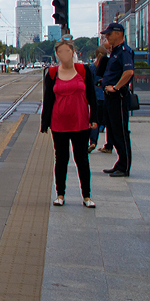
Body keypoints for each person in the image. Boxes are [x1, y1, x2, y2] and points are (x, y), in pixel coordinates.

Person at [41, 38, 98, 207]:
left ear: (73, 52)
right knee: (61, 159)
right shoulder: (52, 73)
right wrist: (45, 123)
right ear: (57, 55)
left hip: (80, 122)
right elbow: (48, 99)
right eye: (60, 52)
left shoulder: (83, 70)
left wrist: (94, 118)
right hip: (59, 123)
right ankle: (60, 194)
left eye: (67, 51)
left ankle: (86, 196)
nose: (64, 55)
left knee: (81, 159)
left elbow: (92, 97)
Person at [99, 22, 135, 177]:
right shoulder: (115, 52)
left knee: (120, 132)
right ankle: (120, 163)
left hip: (118, 97)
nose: (106, 37)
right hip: (110, 98)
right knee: (113, 131)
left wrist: (115, 87)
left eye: (109, 34)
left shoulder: (124, 52)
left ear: (118, 33)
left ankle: (124, 166)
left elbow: (129, 72)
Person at [90, 46, 109, 152]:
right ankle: (109, 144)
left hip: (95, 96)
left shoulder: (92, 67)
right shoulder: (108, 66)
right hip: (106, 95)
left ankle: (93, 142)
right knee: (107, 120)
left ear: (96, 55)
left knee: (94, 120)